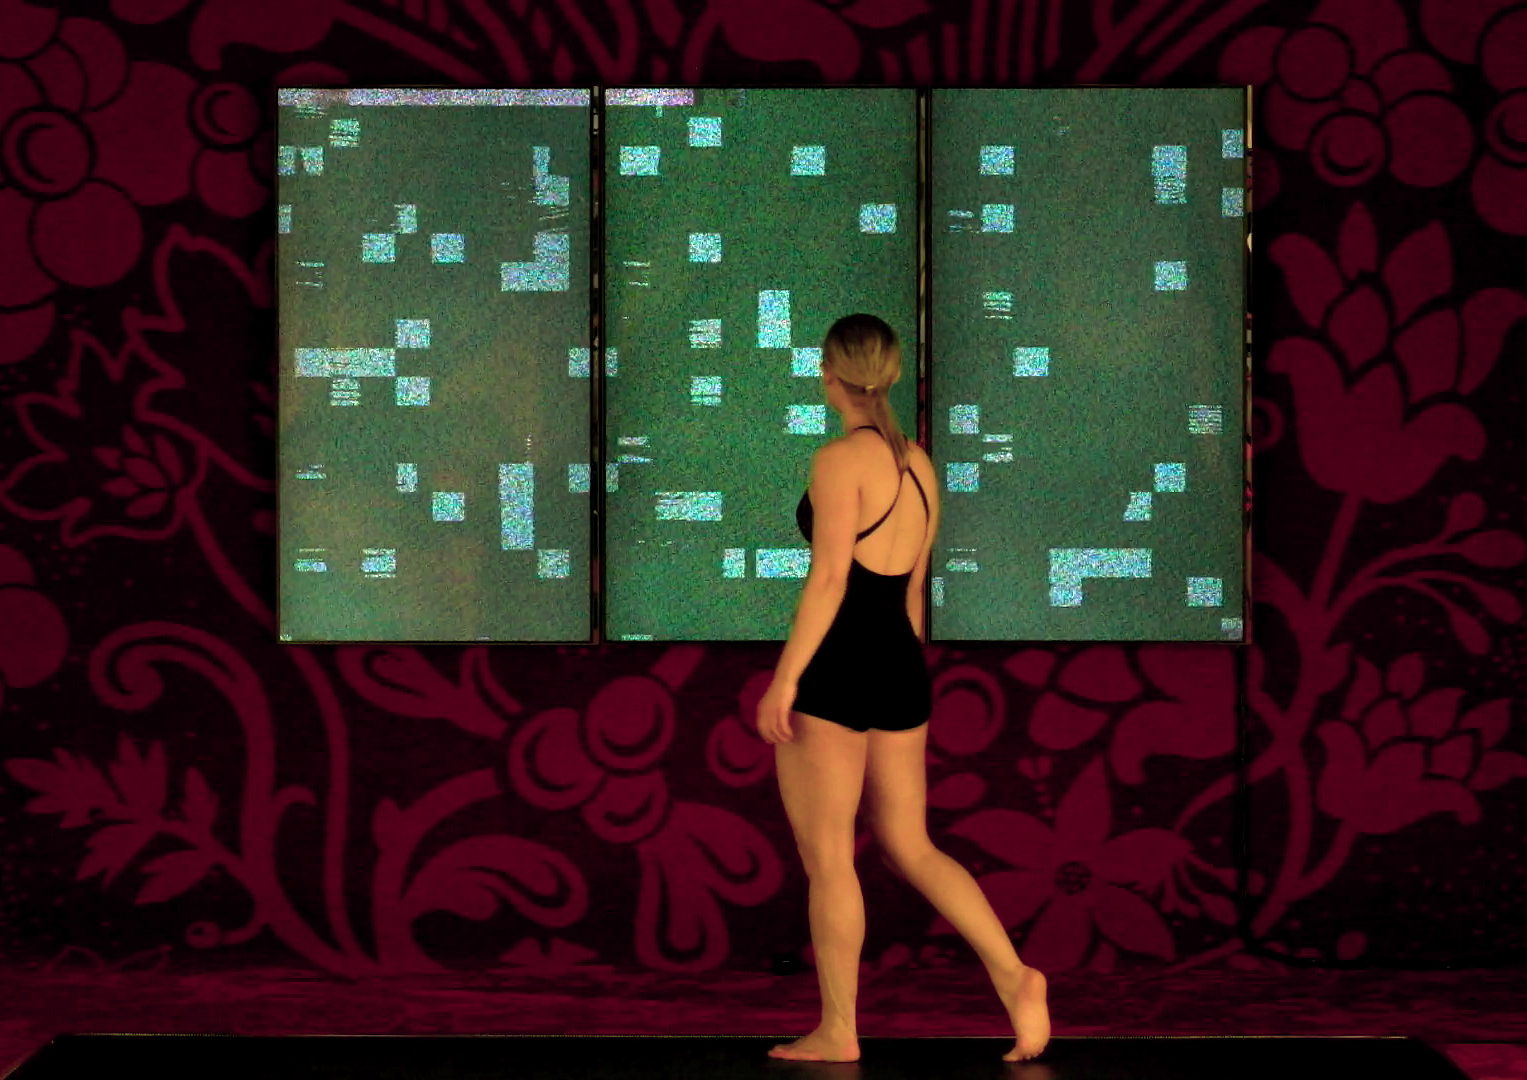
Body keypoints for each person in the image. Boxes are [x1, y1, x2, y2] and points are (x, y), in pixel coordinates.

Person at [756, 313, 1050, 1064]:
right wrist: (898, 671)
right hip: (897, 662)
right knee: (910, 845)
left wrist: (785, 679)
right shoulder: (918, 463)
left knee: (830, 859)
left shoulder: (836, 460)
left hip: (837, 664)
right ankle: (1015, 976)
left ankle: (839, 1031)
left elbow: (829, 581)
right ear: (887, 375)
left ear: (829, 374)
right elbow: (913, 593)